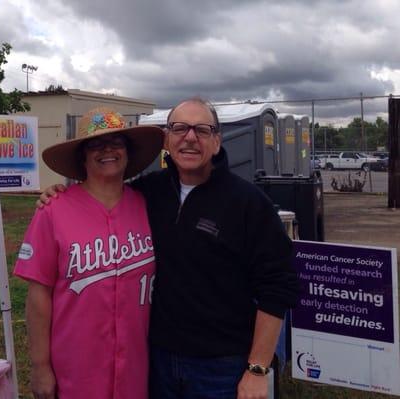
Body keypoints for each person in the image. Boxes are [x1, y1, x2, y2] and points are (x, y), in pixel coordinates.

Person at [39, 98, 299, 399]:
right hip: (156, 361)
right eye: (179, 128)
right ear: (167, 140)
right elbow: (101, 191)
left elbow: (278, 287)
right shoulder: (146, 194)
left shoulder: (249, 204)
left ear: (216, 142)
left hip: (221, 367)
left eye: (202, 130)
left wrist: (257, 369)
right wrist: (58, 195)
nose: (190, 137)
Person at [14, 107, 164, 399]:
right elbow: (38, 295)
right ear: (82, 156)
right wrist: (40, 365)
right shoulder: (54, 210)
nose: (107, 150)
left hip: (137, 367)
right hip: (76, 369)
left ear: (128, 152)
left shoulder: (147, 206)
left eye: (116, 142)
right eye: (95, 144)